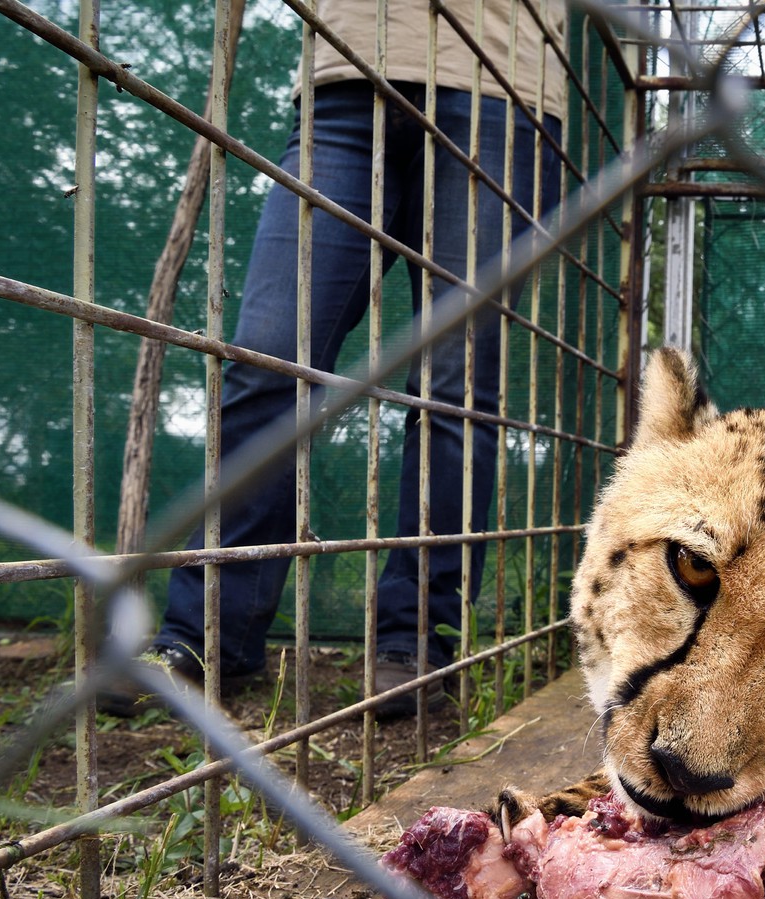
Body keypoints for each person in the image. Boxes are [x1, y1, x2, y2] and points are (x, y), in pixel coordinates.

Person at [109, 0, 568, 716]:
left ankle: (415, 642)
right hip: (344, 73)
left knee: (455, 382)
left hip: (503, 79)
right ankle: (206, 636)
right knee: (267, 354)